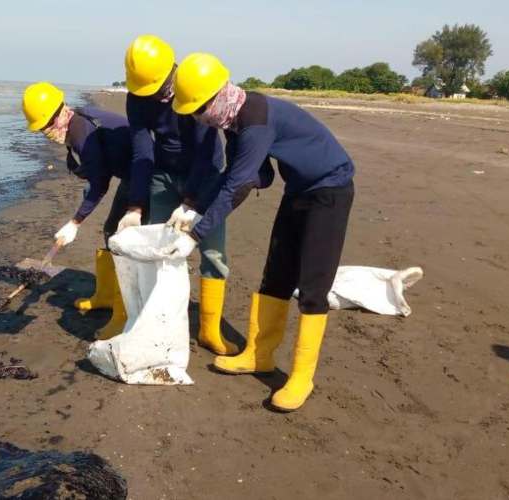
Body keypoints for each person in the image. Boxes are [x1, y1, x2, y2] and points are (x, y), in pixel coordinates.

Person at [167, 53, 355, 412]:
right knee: (276, 276)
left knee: (313, 287)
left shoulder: (254, 121)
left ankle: (301, 376)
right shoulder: (235, 119)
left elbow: (238, 186)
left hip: (330, 191)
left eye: (199, 108)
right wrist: (193, 207)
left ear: (218, 95)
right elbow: (259, 176)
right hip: (298, 190)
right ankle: (259, 354)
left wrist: (195, 235)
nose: (197, 117)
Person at [117, 35, 236, 355]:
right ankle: (164, 318)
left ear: (171, 71)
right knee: (161, 249)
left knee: (211, 252)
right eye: (146, 91)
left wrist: (190, 203)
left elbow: (206, 153)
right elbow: (142, 151)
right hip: (163, 173)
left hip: (206, 174)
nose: (153, 96)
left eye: (157, 88)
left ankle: (210, 330)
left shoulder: (195, 86)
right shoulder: (137, 96)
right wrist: (135, 205)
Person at [22, 82, 146, 339]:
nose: (44, 133)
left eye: (45, 127)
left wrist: (75, 222)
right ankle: (105, 295)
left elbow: (100, 184)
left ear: (57, 116)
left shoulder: (80, 130)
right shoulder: (75, 121)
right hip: (129, 173)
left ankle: (125, 315)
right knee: (112, 229)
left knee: (129, 242)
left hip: (145, 172)